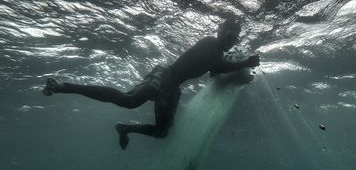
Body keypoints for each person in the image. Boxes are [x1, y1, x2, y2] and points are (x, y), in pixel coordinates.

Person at [42, 18, 260, 149]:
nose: (232, 40)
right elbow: (218, 67)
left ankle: (125, 128)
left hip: (173, 88)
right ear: (221, 32)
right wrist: (242, 63)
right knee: (130, 101)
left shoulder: (218, 54)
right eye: (230, 35)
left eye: (235, 38)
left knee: (162, 133)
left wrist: (245, 63)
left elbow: (218, 68)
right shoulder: (210, 43)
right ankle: (65, 87)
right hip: (165, 75)